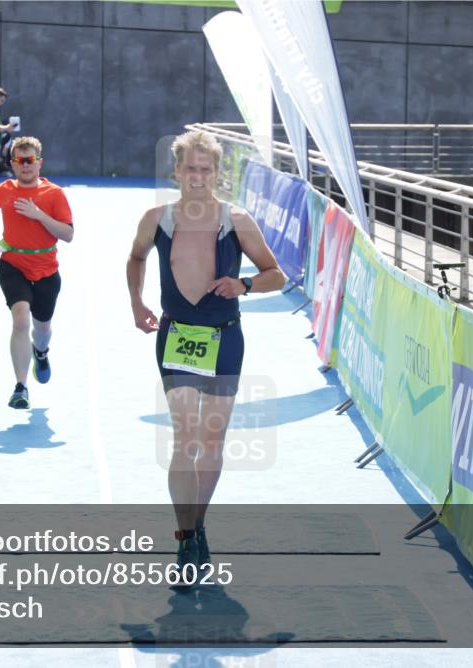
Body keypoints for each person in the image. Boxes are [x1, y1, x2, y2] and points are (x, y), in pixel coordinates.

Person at [126, 130, 286, 585]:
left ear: (218, 173)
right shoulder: (156, 218)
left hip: (225, 338)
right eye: (189, 169)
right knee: (186, 439)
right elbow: (135, 258)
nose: (197, 177)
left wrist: (246, 285)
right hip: (177, 336)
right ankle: (186, 537)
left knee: (211, 444)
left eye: (206, 169)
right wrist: (137, 302)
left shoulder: (237, 221)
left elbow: (277, 274)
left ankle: (198, 527)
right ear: (176, 172)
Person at [0, 136, 73, 410]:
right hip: (13, 264)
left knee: (42, 329)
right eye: (19, 161)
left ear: (39, 162)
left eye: (30, 160)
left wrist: (39, 215)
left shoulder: (54, 194)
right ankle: (21, 387)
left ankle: (41, 351)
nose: (25, 166)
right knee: (21, 320)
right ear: (12, 163)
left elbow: (68, 234)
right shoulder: (6, 189)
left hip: (47, 270)